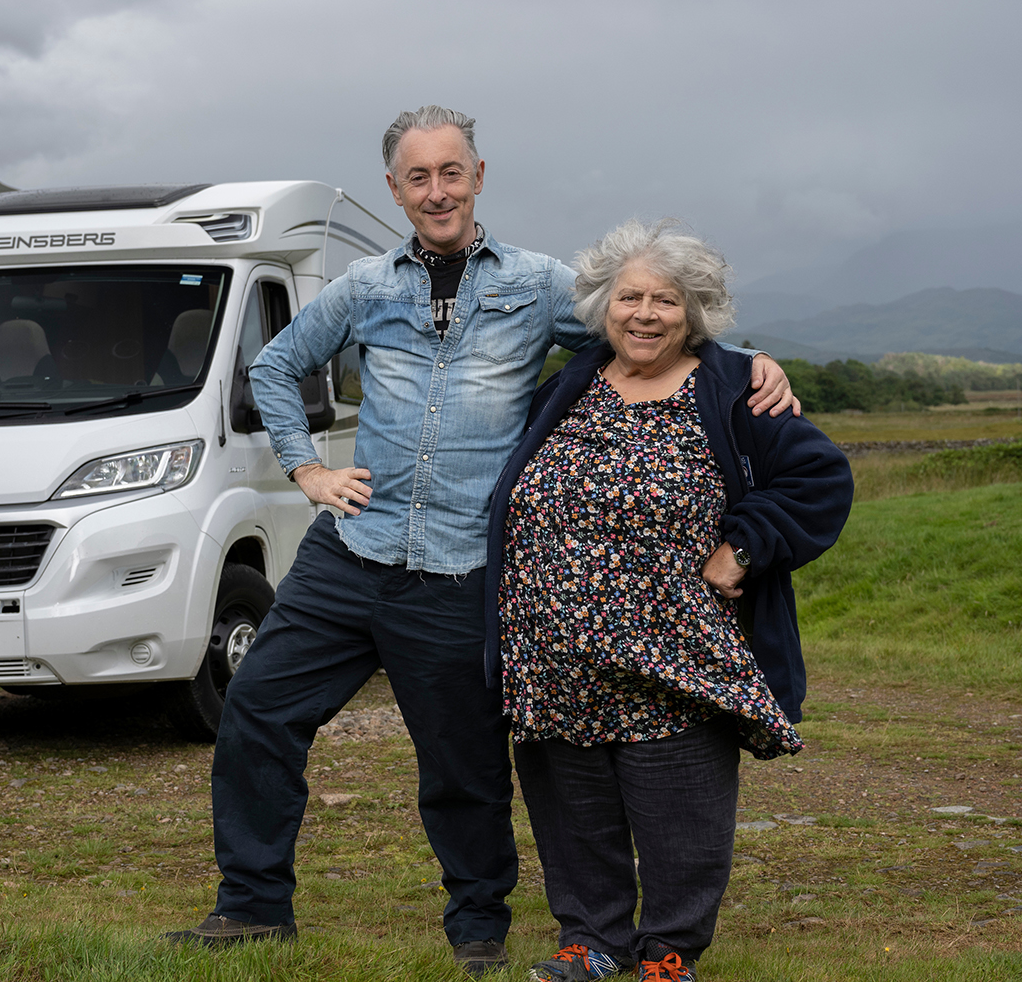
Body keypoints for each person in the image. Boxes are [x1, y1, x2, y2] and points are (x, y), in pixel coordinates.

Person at [162, 106, 800, 976]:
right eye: (417, 177)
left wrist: (752, 359)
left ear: (478, 177)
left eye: (451, 172)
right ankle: (253, 905)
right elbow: (274, 365)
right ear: (395, 189)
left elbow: (643, 332)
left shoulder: (538, 284)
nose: (437, 191)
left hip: (462, 571)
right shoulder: (363, 287)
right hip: (352, 550)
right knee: (256, 714)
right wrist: (309, 472)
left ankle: (478, 924)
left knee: (460, 764)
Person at [485, 219, 852, 982]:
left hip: (675, 655)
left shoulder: (732, 388)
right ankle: (590, 943)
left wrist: (744, 544)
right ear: (602, 305)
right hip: (555, 657)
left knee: (681, 814)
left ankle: (669, 953)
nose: (644, 314)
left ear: (696, 313)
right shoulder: (570, 383)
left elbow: (820, 481)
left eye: (665, 301)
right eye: (629, 297)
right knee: (574, 815)